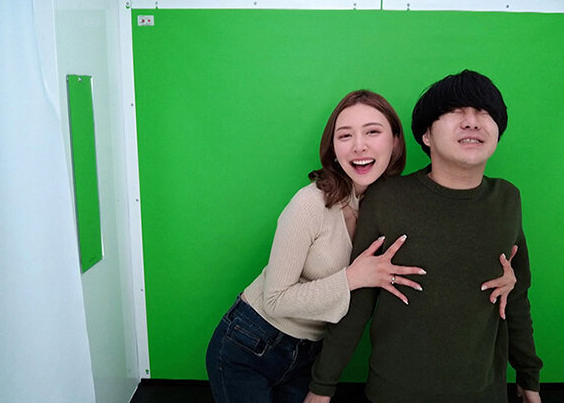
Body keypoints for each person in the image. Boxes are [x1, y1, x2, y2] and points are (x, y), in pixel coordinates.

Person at [205, 90, 519, 403]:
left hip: (309, 351)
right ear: (333, 148)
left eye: (372, 132)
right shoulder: (309, 203)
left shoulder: (385, 201)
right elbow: (275, 301)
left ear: (395, 142)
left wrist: (504, 276)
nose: (359, 146)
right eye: (345, 136)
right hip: (251, 341)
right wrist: (353, 278)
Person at [306, 71, 543, 403]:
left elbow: (516, 295)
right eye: (456, 111)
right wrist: (322, 387)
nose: (472, 121)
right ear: (426, 135)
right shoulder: (387, 198)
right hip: (394, 392)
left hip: (483, 392)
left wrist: (529, 377)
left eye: (484, 112)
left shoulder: (507, 199)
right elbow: (358, 303)